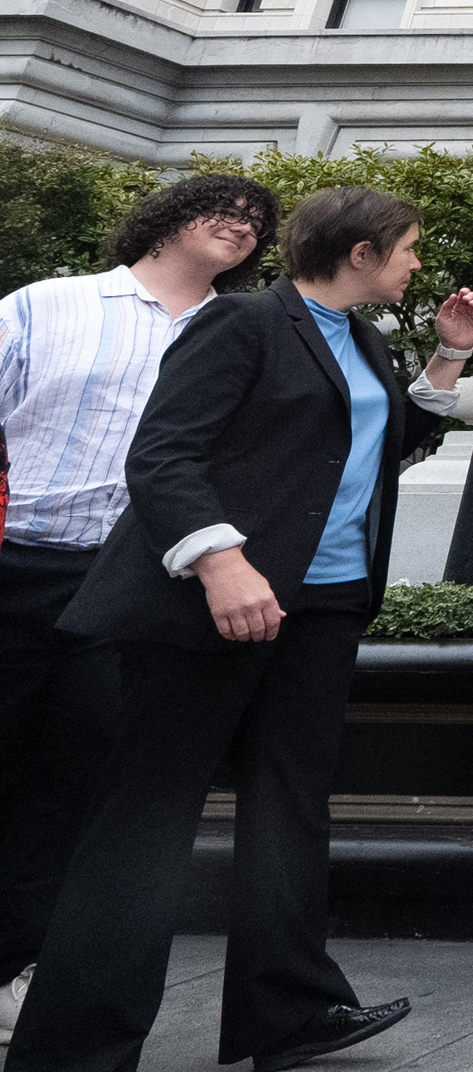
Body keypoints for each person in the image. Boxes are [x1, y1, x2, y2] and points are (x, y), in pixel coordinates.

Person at [10, 186, 473, 1072]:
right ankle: (72, 1048)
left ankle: (290, 1012)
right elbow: (162, 453)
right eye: (409, 248)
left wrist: (448, 361)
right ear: (360, 253)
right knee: (146, 821)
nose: (418, 263)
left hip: (324, 606)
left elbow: (368, 447)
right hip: (218, 605)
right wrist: (220, 561)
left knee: (291, 808)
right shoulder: (241, 326)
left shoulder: (367, 340)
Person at [0, 174, 280, 1045]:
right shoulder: (49, 305)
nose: (240, 226)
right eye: (221, 210)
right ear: (163, 219)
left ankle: (17, 973)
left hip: (134, 585)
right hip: (16, 562)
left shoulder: (242, 331)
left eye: (256, 222)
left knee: (73, 785)